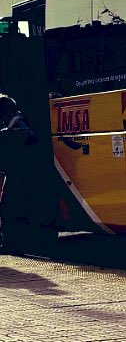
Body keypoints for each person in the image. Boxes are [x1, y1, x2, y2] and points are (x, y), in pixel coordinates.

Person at [0, 94, 56, 255]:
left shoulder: (16, 121)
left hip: (20, 174)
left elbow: (30, 135)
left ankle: (12, 244)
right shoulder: (13, 120)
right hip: (18, 172)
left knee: (9, 208)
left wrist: (5, 134)